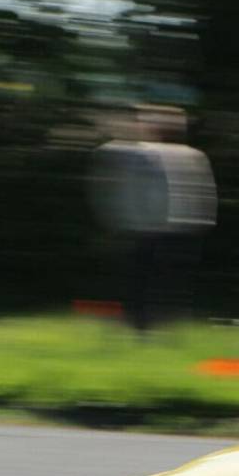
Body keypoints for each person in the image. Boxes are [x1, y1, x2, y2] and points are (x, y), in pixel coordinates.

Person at [87, 106, 217, 331]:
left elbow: (110, 152)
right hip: (182, 231)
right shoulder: (194, 155)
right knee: (168, 286)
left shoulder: (145, 152)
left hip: (147, 230)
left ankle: (141, 328)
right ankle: (161, 327)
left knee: (141, 285)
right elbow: (205, 194)